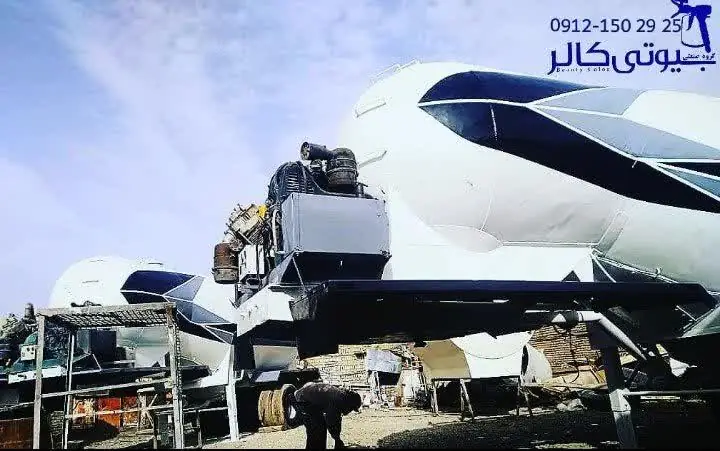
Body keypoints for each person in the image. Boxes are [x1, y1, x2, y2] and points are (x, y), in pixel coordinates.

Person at [293, 382, 362, 449]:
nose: (350, 411)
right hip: (302, 400)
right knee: (316, 428)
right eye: (352, 408)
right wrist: (337, 438)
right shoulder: (338, 400)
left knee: (320, 426)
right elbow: (332, 419)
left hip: (308, 399)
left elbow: (336, 419)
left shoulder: (340, 396)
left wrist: (337, 438)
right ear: (350, 403)